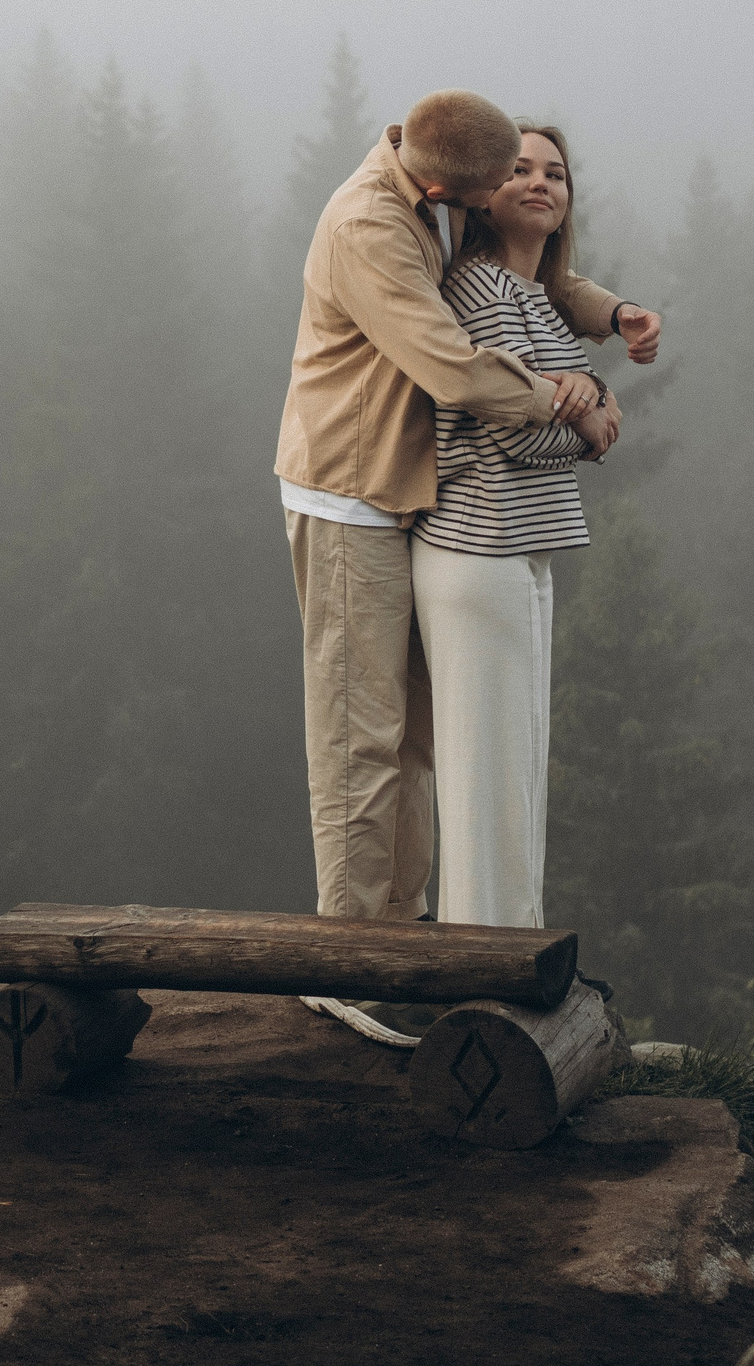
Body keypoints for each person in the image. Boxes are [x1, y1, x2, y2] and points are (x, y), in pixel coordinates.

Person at [275, 91, 659, 1042]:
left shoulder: (435, 179)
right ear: (458, 191)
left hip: (406, 495)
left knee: (410, 739)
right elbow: (452, 368)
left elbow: (542, 275)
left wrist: (608, 317)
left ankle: (406, 942)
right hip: (350, 493)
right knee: (359, 739)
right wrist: (573, 404)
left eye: (544, 174)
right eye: (503, 182)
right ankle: (347, 967)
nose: (518, 191)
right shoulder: (371, 227)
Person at [413, 123, 604, 935]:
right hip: (478, 547)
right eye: (519, 170)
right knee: (490, 774)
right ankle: (488, 964)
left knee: (512, 767)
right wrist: (590, 428)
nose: (539, 183)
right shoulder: (483, 289)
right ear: (485, 194)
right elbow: (516, 431)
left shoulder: (535, 298)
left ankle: (506, 951)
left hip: (517, 551)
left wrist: (588, 401)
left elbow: (575, 392)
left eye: (555, 174)